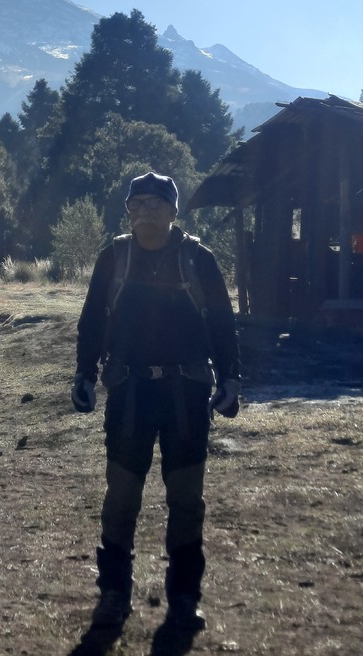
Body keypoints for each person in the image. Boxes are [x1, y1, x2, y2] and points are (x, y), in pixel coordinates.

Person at [71, 171, 240, 631]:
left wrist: (230, 379)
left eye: (154, 203)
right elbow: (90, 322)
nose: (144, 210)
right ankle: (113, 596)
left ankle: (184, 599)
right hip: (129, 396)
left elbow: (223, 325)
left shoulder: (197, 259)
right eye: (137, 203)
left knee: (187, 500)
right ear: (128, 210)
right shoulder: (114, 258)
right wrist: (84, 375)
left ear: (172, 211)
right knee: (121, 497)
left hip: (186, 397)